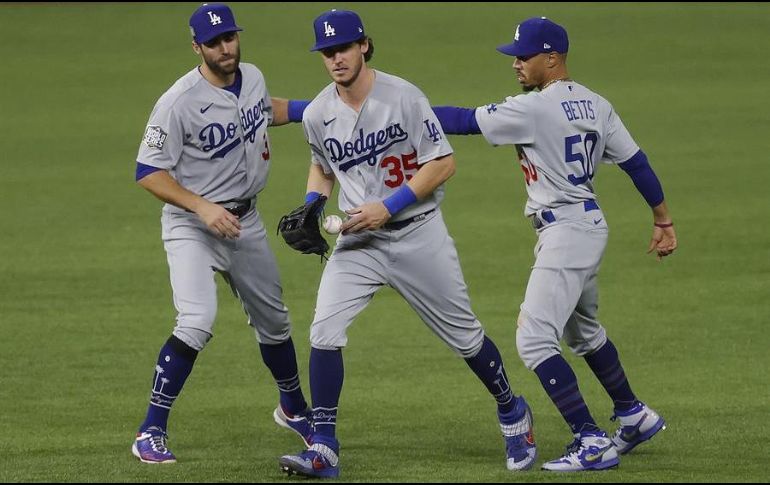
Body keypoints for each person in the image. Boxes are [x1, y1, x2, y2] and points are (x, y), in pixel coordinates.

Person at [277, 9, 537, 479]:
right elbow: (323, 166)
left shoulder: (404, 96)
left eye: (344, 48)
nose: (336, 59)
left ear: (364, 46)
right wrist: (313, 204)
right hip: (359, 243)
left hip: (419, 234)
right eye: (327, 52)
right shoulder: (318, 114)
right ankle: (324, 446)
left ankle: (512, 409)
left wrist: (387, 205)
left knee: (465, 337)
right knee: (323, 332)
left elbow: (443, 164)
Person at [432, 17, 677, 472]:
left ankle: (590, 440)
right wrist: (662, 216)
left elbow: (464, 121)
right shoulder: (597, 104)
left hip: (566, 233)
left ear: (552, 58)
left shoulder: (535, 108)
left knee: (533, 338)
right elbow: (636, 163)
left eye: (523, 56)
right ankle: (633, 414)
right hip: (586, 227)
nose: (516, 64)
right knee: (582, 330)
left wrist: (408, 111)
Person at [131, 3, 313, 463]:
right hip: (193, 225)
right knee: (196, 321)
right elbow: (148, 171)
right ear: (197, 47)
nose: (225, 47)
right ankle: (150, 430)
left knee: (275, 322)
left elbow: (263, 110)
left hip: (245, 223)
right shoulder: (177, 101)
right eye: (214, 42)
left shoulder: (251, 76)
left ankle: (292, 408)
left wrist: (319, 109)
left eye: (229, 37)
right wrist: (202, 206)